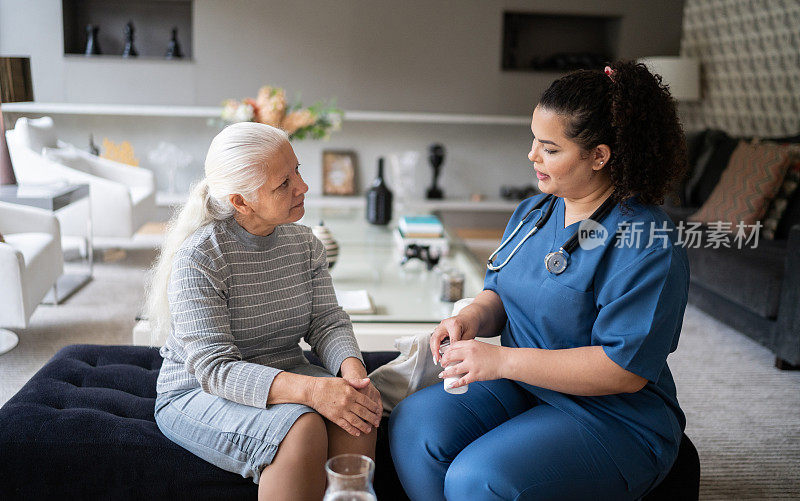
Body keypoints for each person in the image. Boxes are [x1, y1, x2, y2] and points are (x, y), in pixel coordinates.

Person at [389, 60, 690, 500]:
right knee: (415, 426)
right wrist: (473, 315)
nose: (532, 155)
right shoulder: (535, 213)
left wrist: (502, 362)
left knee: (479, 478)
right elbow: (502, 290)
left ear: (599, 155)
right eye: (534, 141)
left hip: (613, 414)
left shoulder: (646, 240)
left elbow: (622, 370)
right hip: (525, 386)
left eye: (549, 148)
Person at [146, 122, 382, 501]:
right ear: (240, 201)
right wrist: (313, 390)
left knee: (360, 417)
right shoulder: (201, 258)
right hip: (199, 392)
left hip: (283, 370)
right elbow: (215, 370)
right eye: (283, 184)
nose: (302, 187)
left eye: (297, 171)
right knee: (302, 427)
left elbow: (326, 321)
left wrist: (354, 377)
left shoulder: (304, 243)